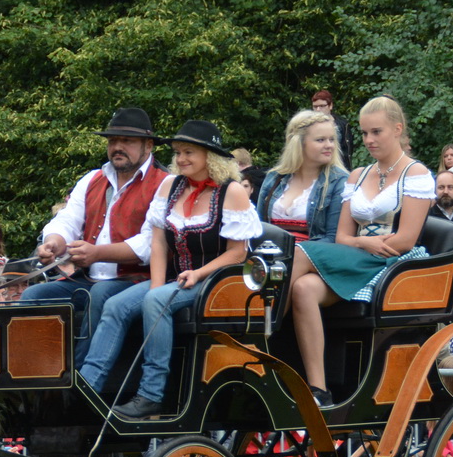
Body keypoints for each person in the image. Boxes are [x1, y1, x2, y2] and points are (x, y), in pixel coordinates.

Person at [79, 121, 261, 418]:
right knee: (115, 304)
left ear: (210, 156)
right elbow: (159, 241)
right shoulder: (171, 186)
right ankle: (89, 385)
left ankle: (151, 393)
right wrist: (156, 284)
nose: (180, 159)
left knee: (156, 300)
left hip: (215, 281)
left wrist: (196, 275)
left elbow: (237, 254)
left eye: (189, 152)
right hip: (175, 279)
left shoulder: (231, 192)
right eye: (178, 153)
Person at [283, 97, 433, 407]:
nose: (369, 140)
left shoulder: (416, 174)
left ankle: (265, 331)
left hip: (393, 261)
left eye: (376, 132)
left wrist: (363, 245)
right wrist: (364, 243)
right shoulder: (358, 175)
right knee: (303, 287)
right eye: (364, 133)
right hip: (361, 253)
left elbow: (404, 240)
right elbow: (341, 237)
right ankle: (319, 389)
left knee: (300, 253)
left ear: (397, 129)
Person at [23, 107, 167, 365]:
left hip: (133, 281)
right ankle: (35, 373)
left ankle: (80, 383)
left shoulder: (165, 183)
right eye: (113, 141)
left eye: (127, 141)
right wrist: (53, 243)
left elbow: (149, 244)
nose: (117, 147)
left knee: (99, 294)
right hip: (85, 280)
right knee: (32, 298)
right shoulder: (92, 179)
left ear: (148, 146)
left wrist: (97, 253)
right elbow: (68, 220)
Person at [255, 110, 348, 245]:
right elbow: (259, 228)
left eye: (332, 139)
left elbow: (333, 238)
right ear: (299, 143)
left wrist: (295, 255)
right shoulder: (275, 177)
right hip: (270, 258)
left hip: (312, 260)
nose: (329, 145)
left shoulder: (339, 181)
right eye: (320, 140)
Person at [309, 90, 353, 168]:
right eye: (315, 107)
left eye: (322, 106)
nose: (318, 109)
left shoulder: (343, 125)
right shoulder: (309, 126)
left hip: (339, 169)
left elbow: (348, 151)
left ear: (330, 106)